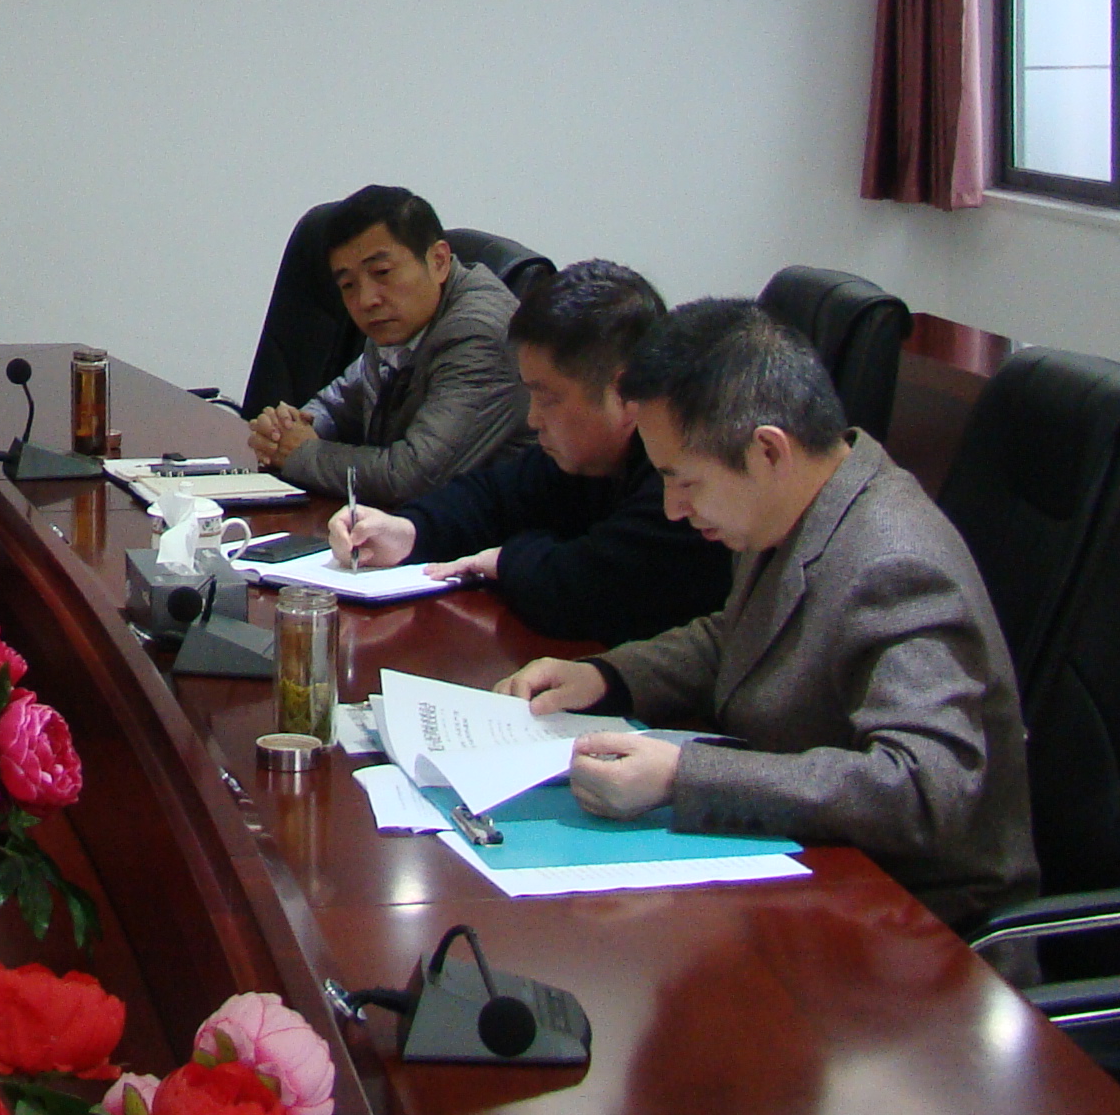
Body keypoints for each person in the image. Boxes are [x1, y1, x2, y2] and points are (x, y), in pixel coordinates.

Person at [499, 299, 1038, 931]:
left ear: (767, 451)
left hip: (916, 925)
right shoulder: (798, 503)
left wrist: (685, 776)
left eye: (684, 481)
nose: (672, 509)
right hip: (815, 872)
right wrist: (606, 676)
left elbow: (921, 792)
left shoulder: (895, 562)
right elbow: (742, 635)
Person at [326, 259, 730, 644]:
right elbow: (494, 498)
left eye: (548, 398)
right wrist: (409, 531)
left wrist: (506, 560)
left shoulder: (684, 480)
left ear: (624, 395)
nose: (533, 419)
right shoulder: (586, 457)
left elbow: (584, 591)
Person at [246, 183, 527, 507]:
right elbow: (340, 402)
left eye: (382, 272)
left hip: (495, 532)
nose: (366, 300)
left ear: (438, 261)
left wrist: (301, 453)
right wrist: (285, 430)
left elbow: (412, 476)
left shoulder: (479, 335)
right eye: (348, 285)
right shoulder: (404, 320)